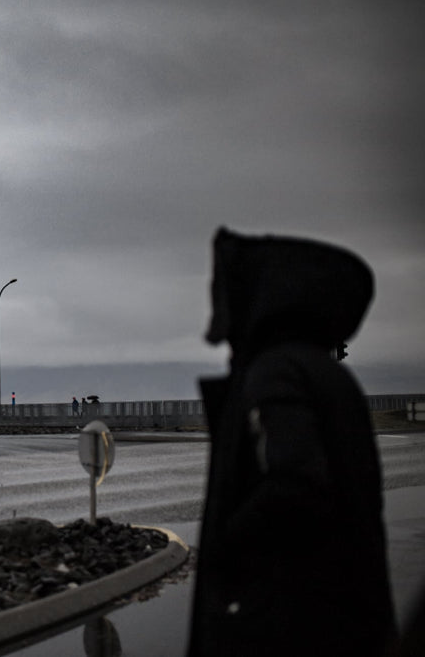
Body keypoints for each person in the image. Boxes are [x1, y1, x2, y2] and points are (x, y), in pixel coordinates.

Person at [188, 228, 396, 656]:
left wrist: (229, 544)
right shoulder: (325, 370)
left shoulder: (274, 370)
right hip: (345, 610)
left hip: (291, 619)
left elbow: (296, 484)